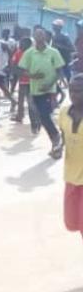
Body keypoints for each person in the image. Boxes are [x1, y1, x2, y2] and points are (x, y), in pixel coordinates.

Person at [16, 28, 66, 158]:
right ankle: (56, 140)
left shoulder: (53, 52)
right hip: (35, 90)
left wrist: (51, 84)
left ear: (45, 37)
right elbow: (20, 70)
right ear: (33, 37)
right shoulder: (29, 53)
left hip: (49, 91)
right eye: (37, 35)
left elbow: (60, 71)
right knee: (42, 116)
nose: (39, 37)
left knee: (45, 115)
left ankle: (56, 140)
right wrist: (32, 75)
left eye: (41, 34)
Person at [60, 74, 83, 242]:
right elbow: (64, 136)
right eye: (71, 90)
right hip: (71, 178)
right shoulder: (63, 112)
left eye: (79, 91)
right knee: (71, 223)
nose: (73, 95)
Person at [11, 37, 40, 131]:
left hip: (32, 82)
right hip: (22, 81)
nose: (20, 45)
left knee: (31, 103)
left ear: (29, 45)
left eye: (23, 44)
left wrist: (21, 71)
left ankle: (35, 124)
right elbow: (14, 65)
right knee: (20, 100)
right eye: (20, 43)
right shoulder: (18, 53)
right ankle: (20, 116)